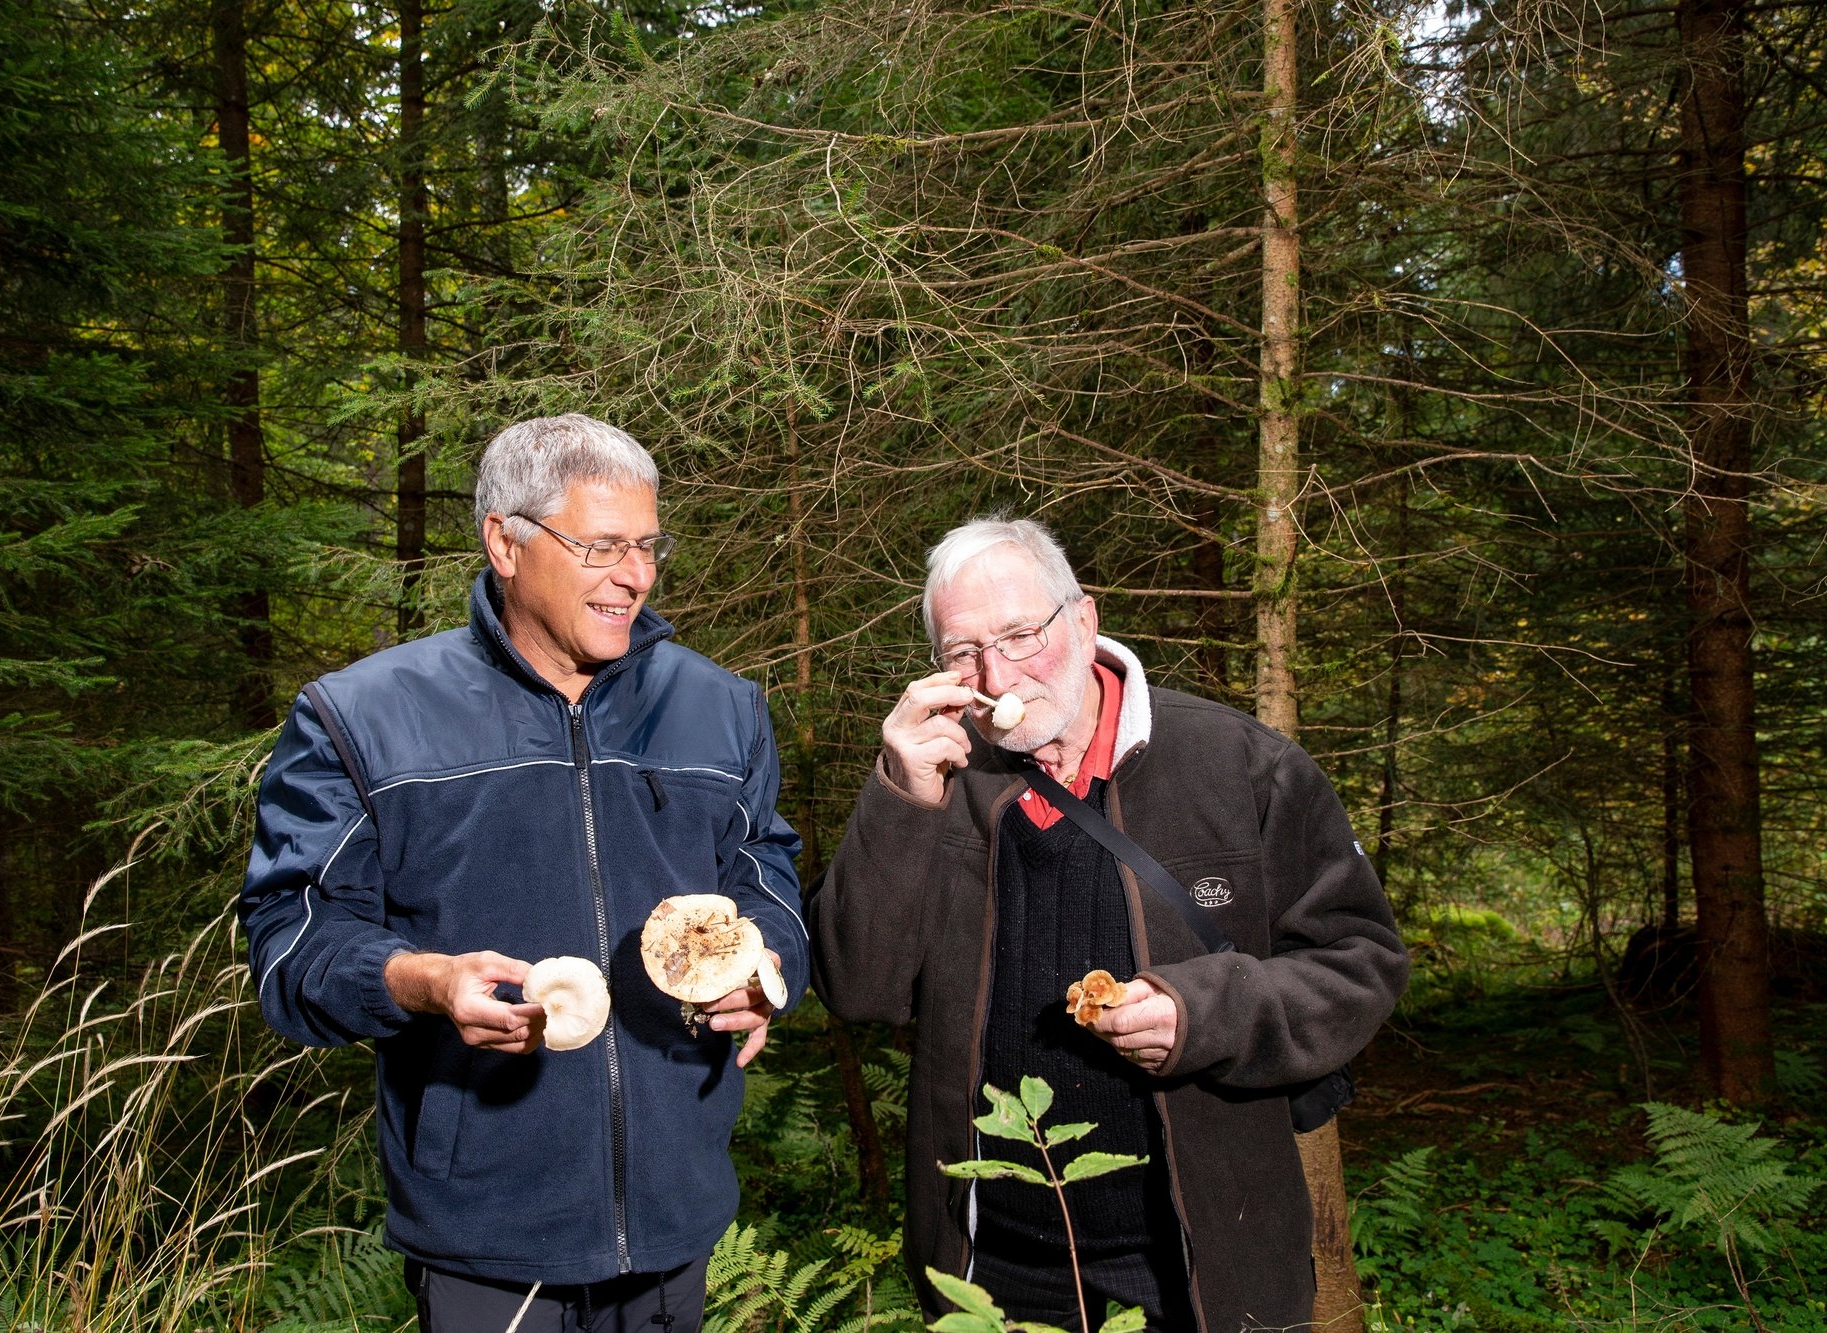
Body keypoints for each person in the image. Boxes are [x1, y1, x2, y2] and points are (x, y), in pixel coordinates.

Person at [239, 414, 808, 1333]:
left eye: (648, 545)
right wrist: (423, 982)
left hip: (676, 1225)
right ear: (505, 541)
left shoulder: (720, 708)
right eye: (602, 546)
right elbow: (289, 942)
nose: (637, 576)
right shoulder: (363, 718)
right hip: (487, 1244)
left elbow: (766, 873)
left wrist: (765, 965)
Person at [808, 516, 1407, 1333]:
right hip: (992, 1269)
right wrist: (900, 797)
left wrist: (1206, 1014)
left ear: (1084, 621)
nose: (995, 672)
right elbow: (858, 985)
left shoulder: (1239, 765)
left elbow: (1361, 962)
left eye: (1022, 634)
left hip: (1202, 1269)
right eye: (962, 652)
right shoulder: (938, 784)